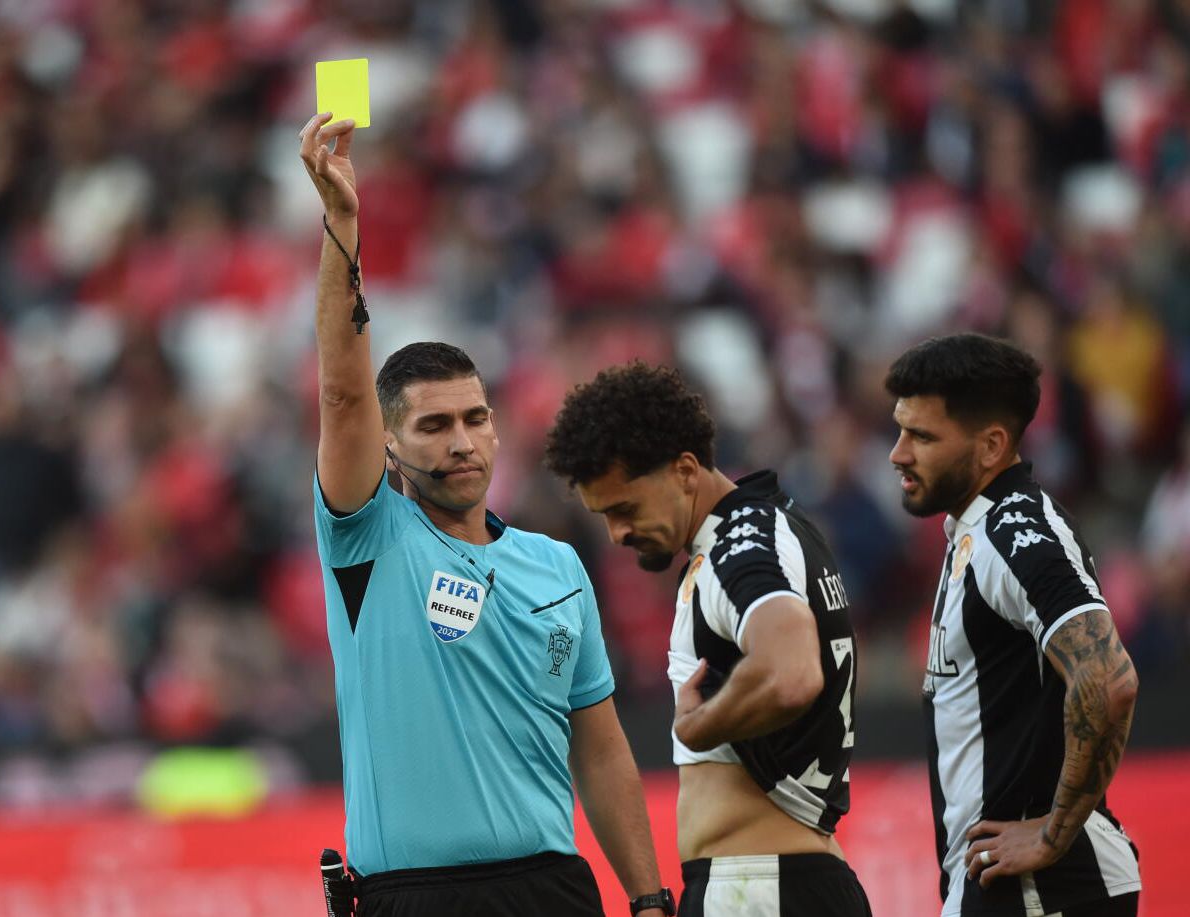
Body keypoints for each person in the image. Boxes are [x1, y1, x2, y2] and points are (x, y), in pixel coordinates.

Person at [298, 112, 673, 917]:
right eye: (433, 425)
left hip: (552, 891)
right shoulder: (369, 541)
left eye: (474, 418)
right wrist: (343, 225)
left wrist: (647, 898)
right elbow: (340, 387)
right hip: (415, 898)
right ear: (390, 445)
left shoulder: (558, 566)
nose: (461, 441)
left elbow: (601, 750)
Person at [544, 362, 871, 917]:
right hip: (791, 879)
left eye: (625, 508)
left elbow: (790, 671)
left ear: (686, 470)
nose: (617, 533)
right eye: (602, 515)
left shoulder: (736, 552)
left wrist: (698, 726)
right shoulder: (778, 529)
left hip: (759, 886)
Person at [885, 333, 1141, 917]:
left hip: (1042, 890)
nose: (898, 453)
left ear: (992, 445)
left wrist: (1053, 832)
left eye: (921, 436)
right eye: (900, 430)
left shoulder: (1013, 534)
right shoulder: (977, 532)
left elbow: (1109, 678)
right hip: (1006, 885)